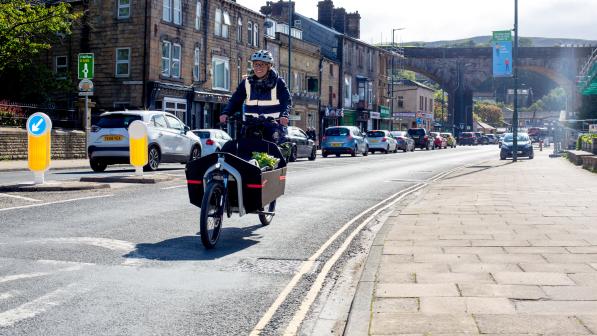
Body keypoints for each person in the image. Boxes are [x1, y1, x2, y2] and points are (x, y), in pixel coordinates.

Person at [219, 50, 291, 142]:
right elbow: (235, 100)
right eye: (256, 64)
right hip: (251, 126)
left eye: (262, 64)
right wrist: (226, 113)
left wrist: (284, 115)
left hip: (273, 127)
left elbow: (286, 101)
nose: (258, 67)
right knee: (241, 151)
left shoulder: (278, 82)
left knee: (275, 152)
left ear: (269, 66)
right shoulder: (246, 82)